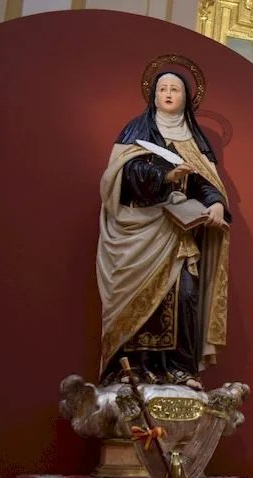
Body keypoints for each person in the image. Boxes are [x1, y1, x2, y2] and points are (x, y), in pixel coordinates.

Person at [98, 71, 230, 389]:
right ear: (154, 96)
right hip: (138, 232)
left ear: (186, 98)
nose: (168, 94)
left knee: (184, 295)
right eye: (162, 89)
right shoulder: (137, 131)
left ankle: (179, 369)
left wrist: (215, 204)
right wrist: (166, 176)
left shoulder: (194, 141)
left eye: (175, 89)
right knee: (135, 298)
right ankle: (130, 369)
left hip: (178, 234)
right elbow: (121, 176)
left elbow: (204, 182)